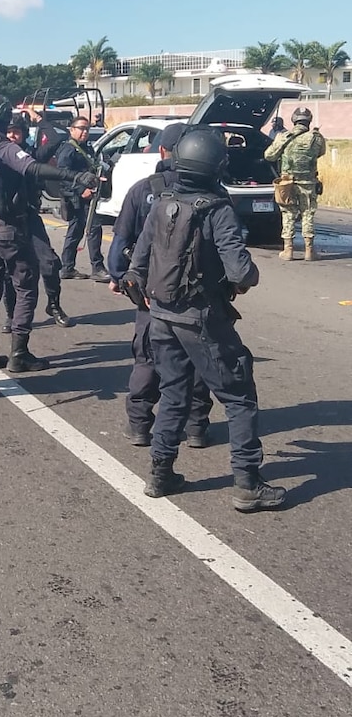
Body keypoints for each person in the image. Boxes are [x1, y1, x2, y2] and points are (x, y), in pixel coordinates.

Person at [127, 127, 285, 512]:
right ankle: (248, 482)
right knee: (239, 397)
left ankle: (160, 474)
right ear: (216, 166)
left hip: (160, 316)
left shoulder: (161, 203)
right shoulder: (218, 210)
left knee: (174, 395)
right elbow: (241, 272)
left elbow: (137, 265)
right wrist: (247, 278)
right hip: (201, 318)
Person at [0, 95, 96, 373]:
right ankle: (19, 353)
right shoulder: (3, 149)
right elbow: (33, 167)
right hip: (10, 228)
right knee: (26, 286)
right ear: (4, 120)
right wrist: (74, 177)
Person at [108, 122, 212, 447]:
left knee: (148, 358)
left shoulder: (143, 190)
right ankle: (196, 427)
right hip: (197, 297)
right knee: (198, 359)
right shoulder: (211, 193)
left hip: (151, 294)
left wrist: (118, 276)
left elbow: (120, 241)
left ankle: (140, 425)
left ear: (163, 152)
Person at [0, 113, 74, 330]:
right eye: (9, 132)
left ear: (24, 134)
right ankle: (11, 315)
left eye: (17, 132)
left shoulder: (32, 155)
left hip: (30, 216)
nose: (13, 136)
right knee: (9, 271)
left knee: (49, 263)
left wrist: (38, 118)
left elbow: (56, 138)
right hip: (6, 220)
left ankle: (54, 305)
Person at [264, 106, 326, 261]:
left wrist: (280, 142)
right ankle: (309, 251)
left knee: (288, 214)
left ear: (294, 120)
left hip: (288, 183)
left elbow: (269, 156)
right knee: (308, 214)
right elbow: (321, 152)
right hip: (308, 183)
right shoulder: (317, 137)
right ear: (309, 121)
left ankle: (288, 250)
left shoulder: (284, 136)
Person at [55, 118, 111, 282]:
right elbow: (63, 175)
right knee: (93, 229)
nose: (84, 131)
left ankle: (67, 267)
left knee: (76, 231)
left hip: (87, 197)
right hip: (76, 198)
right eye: (81, 128)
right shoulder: (68, 150)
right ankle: (97, 267)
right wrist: (81, 191)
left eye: (87, 128)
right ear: (71, 130)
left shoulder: (86, 149)